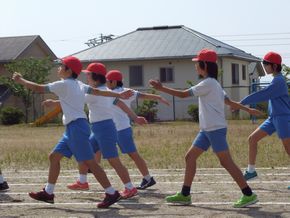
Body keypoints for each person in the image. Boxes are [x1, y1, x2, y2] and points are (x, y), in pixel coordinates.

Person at [12, 56, 133, 208]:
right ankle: (48, 193)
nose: (59, 68)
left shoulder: (64, 84)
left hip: (77, 127)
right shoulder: (79, 84)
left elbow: (38, 88)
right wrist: (118, 94)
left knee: (90, 162)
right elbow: (97, 91)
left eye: (61, 66)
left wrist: (20, 80)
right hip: (73, 127)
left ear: (68, 70)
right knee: (54, 157)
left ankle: (111, 193)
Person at [149, 49, 259, 207]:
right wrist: (248, 110)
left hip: (214, 129)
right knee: (190, 157)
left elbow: (183, 95)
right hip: (207, 130)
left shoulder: (208, 83)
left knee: (226, 162)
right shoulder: (214, 84)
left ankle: (248, 194)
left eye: (197, 63)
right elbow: (228, 102)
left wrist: (161, 88)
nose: (195, 66)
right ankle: (185, 194)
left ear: (204, 65)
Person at [105, 70, 170, 189]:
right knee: (100, 148)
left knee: (133, 154)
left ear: (113, 82)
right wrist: (158, 97)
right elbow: (143, 96)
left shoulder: (111, 93)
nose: (106, 83)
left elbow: (142, 96)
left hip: (121, 129)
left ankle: (148, 178)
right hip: (115, 128)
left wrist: (159, 97)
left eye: (107, 81)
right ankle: (88, 168)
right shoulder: (127, 91)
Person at [240, 52, 290, 189]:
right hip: (273, 118)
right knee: (252, 139)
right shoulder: (276, 79)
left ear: (274, 66)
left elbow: (263, 94)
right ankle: (251, 171)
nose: (264, 66)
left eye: (266, 64)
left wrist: (243, 102)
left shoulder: (279, 80)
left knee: (288, 149)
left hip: (283, 118)